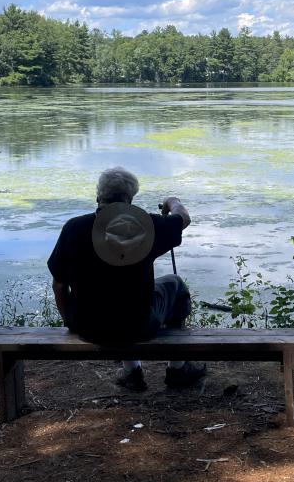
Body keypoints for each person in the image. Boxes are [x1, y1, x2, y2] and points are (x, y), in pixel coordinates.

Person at [47, 166, 207, 392]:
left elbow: (59, 285)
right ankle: (178, 368)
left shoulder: (74, 228)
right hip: (138, 326)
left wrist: (71, 321)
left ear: (98, 196)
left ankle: (132, 372)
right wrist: (172, 201)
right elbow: (184, 218)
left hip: (88, 326)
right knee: (175, 284)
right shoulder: (149, 226)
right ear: (130, 199)